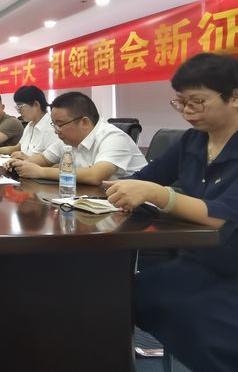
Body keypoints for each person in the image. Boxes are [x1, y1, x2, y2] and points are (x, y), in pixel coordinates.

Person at [104, 53, 238, 371]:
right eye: (181, 103)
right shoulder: (192, 141)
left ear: (234, 97)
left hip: (231, 270)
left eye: (197, 102)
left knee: (207, 329)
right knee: (115, 296)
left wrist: (160, 195)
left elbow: (224, 215)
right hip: (198, 261)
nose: (188, 111)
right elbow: (145, 178)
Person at [6, 91, 146, 185]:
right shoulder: (68, 139)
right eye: (54, 124)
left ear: (84, 122)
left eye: (60, 124)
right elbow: (43, 158)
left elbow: (95, 176)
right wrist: (21, 164)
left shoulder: (113, 137)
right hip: (93, 200)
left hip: (137, 209)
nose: (56, 131)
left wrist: (41, 172)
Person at [0, 86, 59, 158]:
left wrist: (27, 159)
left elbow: (56, 163)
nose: (19, 111)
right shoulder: (30, 125)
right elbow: (17, 148)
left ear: (36, 105)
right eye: (17, 107)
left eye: (20, 107)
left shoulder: (52, 128)